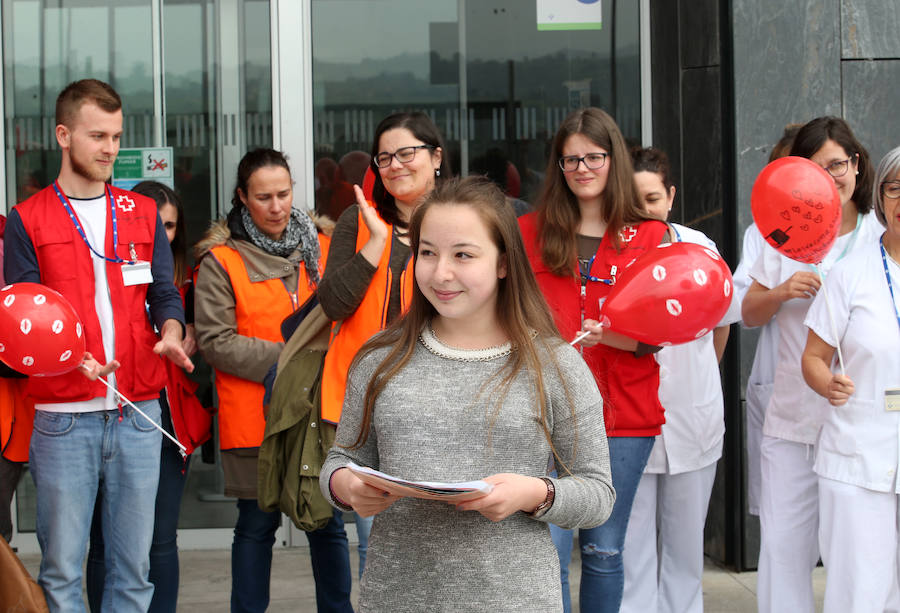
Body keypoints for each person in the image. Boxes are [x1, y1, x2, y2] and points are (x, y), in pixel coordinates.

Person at [321, 176, 615, 613]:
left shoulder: (554, 363)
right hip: (395, 597)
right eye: (427, 253)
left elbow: (597, 494)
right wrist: (345, 485)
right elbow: (341, 460)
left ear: (502, 262)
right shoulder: (380, 358)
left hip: (515, 599)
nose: (441, 273)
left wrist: (534, 493)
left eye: (463, 255)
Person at [3, 78, 192, 612]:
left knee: (134, 571)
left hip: (138, 410)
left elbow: (162, 294)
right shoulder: (27, 219)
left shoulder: (141, 212)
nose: (110, 148)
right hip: (64, 417)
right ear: (63, 135)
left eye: (116, 136)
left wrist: (173, 331)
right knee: (62, 569)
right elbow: (20, 322)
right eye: (97, 136)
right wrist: (68, 357)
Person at [518, 106, 669, 613]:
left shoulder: (649, 236)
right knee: (550, 551)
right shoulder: (528, 233)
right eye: (570, 160)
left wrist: (613, 337)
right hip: (546, 415)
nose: (582, 169)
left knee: (604, 550)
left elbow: (660, 332)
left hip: (624, 414)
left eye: (594, 157)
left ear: (614, 160)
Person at [742, 116, 882, 613]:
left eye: (839, 165)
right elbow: (748, 313)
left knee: (859, 558)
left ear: (858, 165)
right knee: (784, 553)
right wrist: (781, 292)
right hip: (793, 420)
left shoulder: (880, 236)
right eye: (818, 168)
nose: (832, 177)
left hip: (862, 423)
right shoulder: (776, 232)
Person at [194, 148, 330, 613]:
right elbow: (216, 342)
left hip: (318, 415)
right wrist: (297, 358)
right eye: (263, 196)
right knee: (256, 526)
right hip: (257, 419)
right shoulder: (221, 261)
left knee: (326, 522)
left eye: (284, 194)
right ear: (242, 198)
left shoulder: (323, 248)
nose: (276, 206)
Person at [318, 110, 448, 580]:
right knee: (377, 546)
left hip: (446, 403)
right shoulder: (359, 221)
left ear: (436, 157)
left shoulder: (463, 220)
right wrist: (375, 244)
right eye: (385, 157)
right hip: (369, 405)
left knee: (448, 539)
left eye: (407, 153)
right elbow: (333, 304)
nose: (394, 165)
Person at [620, 147, 741, 613]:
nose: (642, 210)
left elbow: (722, 323)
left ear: (669, 197)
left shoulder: (700, 249)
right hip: (630, 423)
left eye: (651, 198)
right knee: (632, 552)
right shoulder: (610, 258)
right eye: (632, 200)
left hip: (693, 419)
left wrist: (700, 379)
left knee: (686, 550)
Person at [86, 180, 211, 613]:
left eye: (171, 225)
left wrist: (191, 329)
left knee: (159, 539)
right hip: (104, 411)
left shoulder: (192, 282)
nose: (161, 232)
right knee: (104, 540)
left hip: (167, 421)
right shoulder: (104, 270)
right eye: (154, 223)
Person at [801, 145, 900, 612]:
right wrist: (827, 383)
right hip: (857, 456)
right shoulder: (849, 275)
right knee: (859, 594)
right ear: (880, 198)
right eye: (895, 189)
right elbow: (814, 358)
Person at [733, 124, 800, 518]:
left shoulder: (866, 232)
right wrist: (780, 291)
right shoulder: (763, 234)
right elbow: (746, 310)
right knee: (783, 519)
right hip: (781, 379)